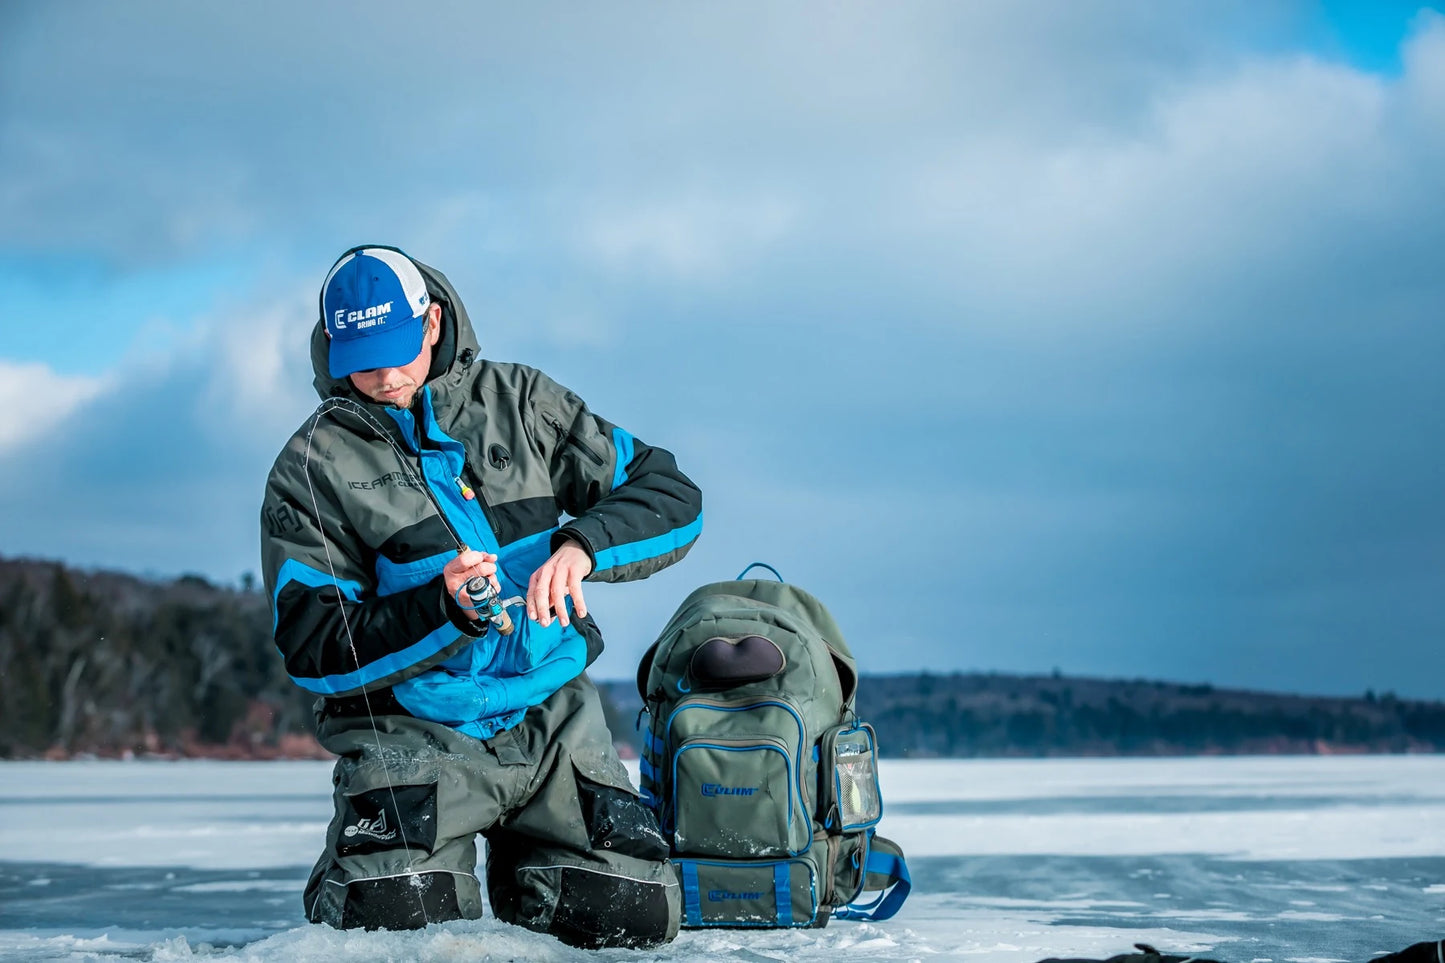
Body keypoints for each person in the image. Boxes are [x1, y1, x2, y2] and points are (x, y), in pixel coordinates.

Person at [259, 246, 702, 947]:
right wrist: (442, 607)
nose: (384, 375)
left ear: (432, 322)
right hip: (411, 726)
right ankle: (356, 866)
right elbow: (313, 646)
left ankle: (538, 861)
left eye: (398, 350)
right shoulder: (311, 466)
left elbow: (671, 494)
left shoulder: (523, 403)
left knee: (629, 911)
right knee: (389, 923)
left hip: (549, 711)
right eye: (363, 358)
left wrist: (582, 544)